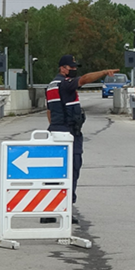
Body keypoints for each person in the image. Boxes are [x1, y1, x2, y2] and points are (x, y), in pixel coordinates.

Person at [45, 55, 118, 222]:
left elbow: (49, 111)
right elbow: (84, 79)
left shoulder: (51, 86)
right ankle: (65, 209)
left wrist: (56, 126)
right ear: (62, 68)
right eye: (71, 68)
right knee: (72, 170)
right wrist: (104, 72)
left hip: (56, 131)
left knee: (55, 172)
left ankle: (49, 210)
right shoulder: (65, 84)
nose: (74, 70)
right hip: (69, 133)